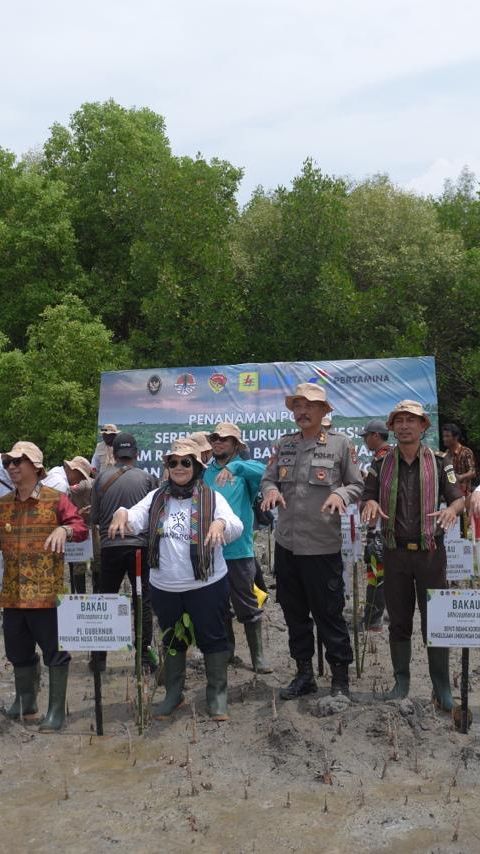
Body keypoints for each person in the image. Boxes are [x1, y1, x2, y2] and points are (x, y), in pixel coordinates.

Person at [108, 439, 243, 721]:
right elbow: (133, 517)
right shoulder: (157, 497)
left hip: (206, 585)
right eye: (173, 462)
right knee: (171, 639)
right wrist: (121, 512)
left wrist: (220, 524)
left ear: (196, 466)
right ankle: (174, 693)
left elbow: (235, 526)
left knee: (213, 638)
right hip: (165, 586)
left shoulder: (213, 498)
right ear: (167, 467)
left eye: (186, 462)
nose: (179, 467)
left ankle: (217, 694)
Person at [261, 382, 364, 699]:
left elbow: (357, 485)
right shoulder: (284, 445)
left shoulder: (339, 444)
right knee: (294, 614)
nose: (302, 412)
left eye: (309, 406)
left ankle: (340, 680)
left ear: (323, 411)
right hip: (287, 545)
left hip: (321, 547)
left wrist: (339, 492)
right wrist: (272, 490)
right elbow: (268, 478)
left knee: (329, 614)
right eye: (297, 406)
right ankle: (304, 673)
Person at [361, 400, 464, 709]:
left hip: (431, 555)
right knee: (400, 621)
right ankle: (401, 682)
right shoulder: (380, 464)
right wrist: (369, 504)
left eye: (412, 420)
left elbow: (458, 499)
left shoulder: (440, 462)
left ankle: (442, 688)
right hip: (394, 554)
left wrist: (452, 511)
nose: (405, 425)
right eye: (399, 420)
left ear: (423, 427)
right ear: (392, 427)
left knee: (436, 622)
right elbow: (367, 495)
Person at [0, 441, 88, 731]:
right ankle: (27, 704)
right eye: (8, 462)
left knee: (55, 653)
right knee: (17, 652)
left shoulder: (55, 499)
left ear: (36, 467)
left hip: (46, 596)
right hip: (12, 595)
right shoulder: (3, 505)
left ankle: (56, 711)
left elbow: (81, 527)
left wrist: (64, 528)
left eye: (18, 461)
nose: (11, 466)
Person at [203, 423, 272, 674]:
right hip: (211, 551)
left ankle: (258, 658)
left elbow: (267, 472)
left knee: (247, 604)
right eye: (215, 438)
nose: (218, 442)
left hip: (239, 552)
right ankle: (228, 651)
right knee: (218, 606)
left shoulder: (243, 472)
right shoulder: (204, 473)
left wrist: (236, 465)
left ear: (235, 445)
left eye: (225, 439)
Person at [90, 432, 157, 672]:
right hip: (138, 548)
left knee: (105, 601)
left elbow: (95, 517)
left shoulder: (101, 479)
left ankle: (99, 659)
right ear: (136, 454)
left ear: (114, 453)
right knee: (142, 601)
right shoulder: (148, 479)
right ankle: (144, 659)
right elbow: (154, 516)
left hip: (110, 548)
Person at [43, 456, 93, 593]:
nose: (80, 480)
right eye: (81, 476)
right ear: (74, 471)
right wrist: (76, 518)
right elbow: (51, 516)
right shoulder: (61, 485)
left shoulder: (55, 472)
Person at [360, 420, 391, 631]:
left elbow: (377, 495)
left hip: (380, 527)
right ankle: (377, 616)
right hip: (381, 526)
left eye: (366, 436)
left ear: (376, 436)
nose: (364, 440)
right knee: (378, 573)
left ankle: (373, 619)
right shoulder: (387, 457)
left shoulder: (383, 459)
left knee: (376, 575)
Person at [442, 423, 476, 499]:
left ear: (456, 437)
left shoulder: (466, 452)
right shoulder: (446, 453)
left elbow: (473, 472)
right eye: (444, 436)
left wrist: (460, 477)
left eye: (447, 436)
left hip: (465, 496)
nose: (444, 439)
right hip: (450, 497)